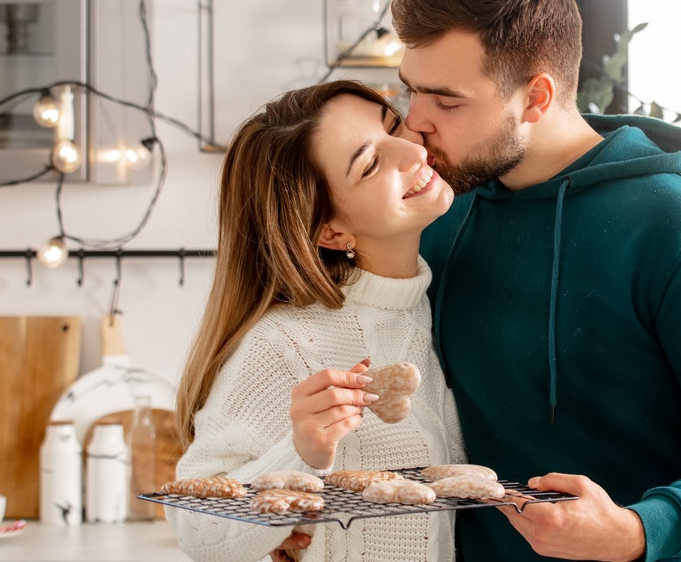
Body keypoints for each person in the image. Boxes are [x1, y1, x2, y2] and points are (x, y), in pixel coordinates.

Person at [388, 0, 681, 561]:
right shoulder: (444, 215)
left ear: (536, 96)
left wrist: (636, 531)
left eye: (446, 100)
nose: (415, 119)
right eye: (412, 88)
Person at [167, 79, 465, 562]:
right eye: (370, 164)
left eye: (394, 124)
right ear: (331, 230)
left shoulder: (434, 304)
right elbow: (194, 527)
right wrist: (300, 455)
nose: (412, 154)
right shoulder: (286, 343)